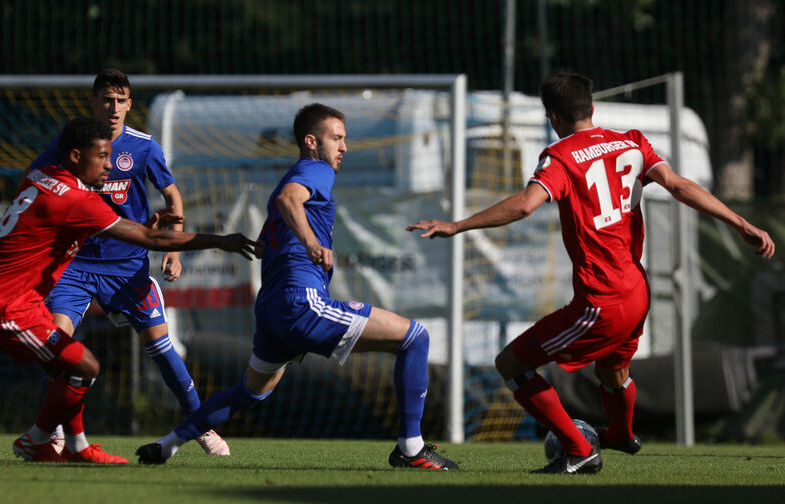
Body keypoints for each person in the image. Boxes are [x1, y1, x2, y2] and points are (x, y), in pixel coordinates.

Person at [407, 72, 775, 474]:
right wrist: (741, 223)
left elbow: (526, 205)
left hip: (602, 300)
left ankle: (579, 449)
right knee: (613, 370)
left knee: (511, 364)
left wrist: (457, 225)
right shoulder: (631, 142)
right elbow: (678, 185)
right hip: (638, 290)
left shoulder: (560, 156)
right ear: (592, 108)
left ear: (552, 116)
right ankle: (620, 433)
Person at [135, 103, 459, 470]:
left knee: (251, 392)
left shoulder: (295, 174)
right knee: (415, 337)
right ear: (311, 141)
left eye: (345, 139)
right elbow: (288, 200)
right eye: (336, 138)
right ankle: (411, 450)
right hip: (299, 302)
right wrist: (311, 243)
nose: (344, 148)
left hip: (272, 309)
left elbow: (272, 227)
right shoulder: (315, 169)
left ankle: (167, 444)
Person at [0, 117, 255, 464]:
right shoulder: (77, 200)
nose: (109, 163)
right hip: (1, 304)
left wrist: (138, 227)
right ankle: (39, 438)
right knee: (85, 365)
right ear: (75, 156)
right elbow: (152, 239)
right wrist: (221, 241)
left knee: (71, 366)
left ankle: (76, 446)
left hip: (12, 293)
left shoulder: (41, 177)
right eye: (101, 156)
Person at [28, 69, 231, 457]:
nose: (114, 107)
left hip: (128, 267)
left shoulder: (142, 146)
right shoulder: (73, 143)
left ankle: (200, 426)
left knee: (163, 349)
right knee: (57, 343)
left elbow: (172, 197)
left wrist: (172, 249)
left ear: (130, 104)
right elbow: (36, 176)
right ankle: (52, 430)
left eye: (121, 100)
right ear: (93, 102)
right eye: (107, 99)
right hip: (75, 265)